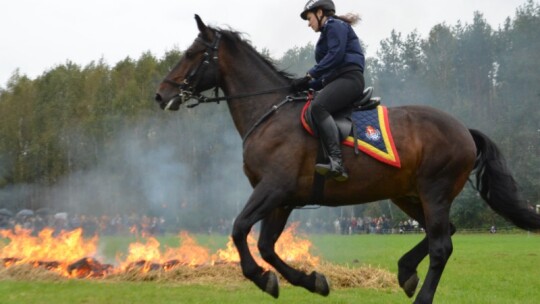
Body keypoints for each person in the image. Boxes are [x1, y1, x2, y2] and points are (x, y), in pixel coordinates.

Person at [292, 0, 365, 182]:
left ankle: (337, 162)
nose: (308, 24)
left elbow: (336, 55)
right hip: (340, 78)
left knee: (318, 107)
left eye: (309, 19)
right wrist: (308, 84)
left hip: (350, 79)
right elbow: (328, 75)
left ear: (319, 12)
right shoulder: (328, 32)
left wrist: (309, 75)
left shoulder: (335, 25)